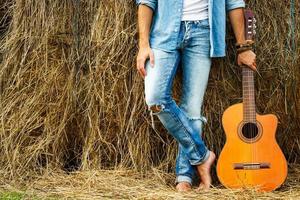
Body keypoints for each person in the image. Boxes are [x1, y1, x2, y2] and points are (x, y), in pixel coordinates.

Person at [135, 0, 256, 191]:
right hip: (164, 31)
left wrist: (243, 47)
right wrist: (143, 44)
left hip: (203, 32)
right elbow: (146, 1)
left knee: (192, 108)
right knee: (155, 98)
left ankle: (184, 176)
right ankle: (202, 155)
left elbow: (233, 3)